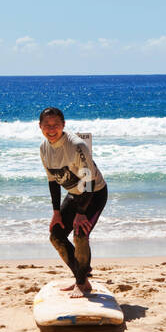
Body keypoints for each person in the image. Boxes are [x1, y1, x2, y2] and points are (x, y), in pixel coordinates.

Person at [39, 107, 108, 295]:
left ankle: (81, 281)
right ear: (40, 127)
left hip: (94, 194)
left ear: (63, 125)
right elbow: (53, 180)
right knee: (56, 236)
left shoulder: (77, 146)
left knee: (80, 233)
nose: (51, 129)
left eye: (55, 125)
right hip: (74, 194)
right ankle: (81, 276)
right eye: (47, 125)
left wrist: (81, 213)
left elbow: (89, 182)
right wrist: (56, 213)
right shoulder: (44, 148)